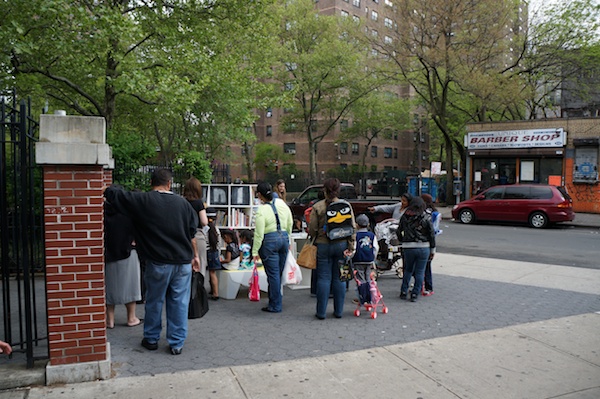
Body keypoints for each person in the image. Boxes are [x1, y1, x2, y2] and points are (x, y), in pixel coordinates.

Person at [104, 168, 199, 355]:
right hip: (182, 262)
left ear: (151, 183)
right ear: (169, 183)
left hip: (158, 262)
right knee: (179, 302)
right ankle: (177, 343)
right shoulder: (184, 205)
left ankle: (151, 338)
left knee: (154, 301)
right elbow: (192, 232)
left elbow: (120, 197)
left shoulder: (144, 201)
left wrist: (105, 189)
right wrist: (194, 256)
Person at [308, 178, 356, 320]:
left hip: (323, 245)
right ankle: (338, 312)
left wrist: (316, 237)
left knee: (323, 278)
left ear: (324, 190)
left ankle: (321, 312)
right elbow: (352, 227)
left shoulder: (318, 207)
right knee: (339, 278)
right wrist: (351, 246)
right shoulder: (346, 205)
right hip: (341, 245)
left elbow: (312, 229)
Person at [252, 181, 293, 313]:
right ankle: (275, 300)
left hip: (269, 241)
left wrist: (254, 251)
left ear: (259, 195)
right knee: (278, 274)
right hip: (284, 238)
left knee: (273, 275)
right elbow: (290, 221)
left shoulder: (261, 210)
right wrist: (288, 238)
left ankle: (275, 304)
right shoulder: (282, 203)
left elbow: (259, 233)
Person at [104, 199, 142, 329]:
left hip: (108, 256)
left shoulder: (103, 215)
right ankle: (131, 318)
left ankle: (110, 320)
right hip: (128, 253)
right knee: (130, 286)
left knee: (109, 288)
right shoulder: (128, 214)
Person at [398, 196, 436, 303]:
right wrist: (432, 249)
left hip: (408, 247)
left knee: (408, 270)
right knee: (420, 271)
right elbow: (431, 234)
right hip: (423, 247)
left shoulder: (405, 216)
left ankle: (404, 291)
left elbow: (398, 231)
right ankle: (415, 293)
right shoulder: (426, 217)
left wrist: (402, 241)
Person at [183, 177, 209, 289]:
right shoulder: (198, 203)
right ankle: (198, 291)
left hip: (183, 235)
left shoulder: (182, 202)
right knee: (200, 265)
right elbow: (204, 221)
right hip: (197, 235)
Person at [352, 214, 379, 305]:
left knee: (360, 279)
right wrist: (373, 258)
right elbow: (375, 248)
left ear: (356, 224)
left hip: (358, 259)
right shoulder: (371, 235)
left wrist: (351, 257)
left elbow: (354, 248)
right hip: (369, 260)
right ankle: (371, 296)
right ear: (368, 224)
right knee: (368, 278)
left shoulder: (356, 235)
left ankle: (362, 297)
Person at [421, 194, 441, 296]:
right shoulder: (435, 213)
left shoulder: (424, 213)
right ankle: (427, 286)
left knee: (423, 266)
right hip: (430, 241)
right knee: (426, 265)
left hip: (424, 241)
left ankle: (425, 286)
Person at [205, 208, 222, 300]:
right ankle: (215, 292)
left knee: (206, 272)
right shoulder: (216, 229)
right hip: (215, 252)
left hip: (207, 252)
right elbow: (219, 244)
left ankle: (213, 293)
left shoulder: (204, 230)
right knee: (213, 273)